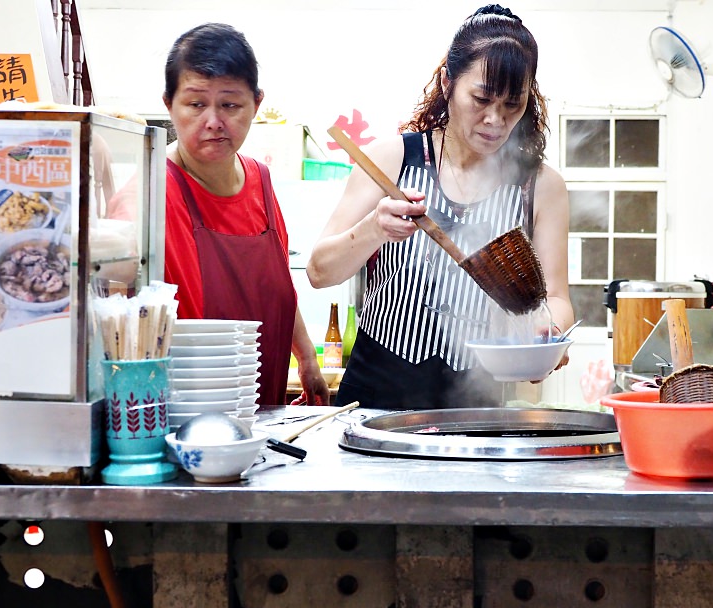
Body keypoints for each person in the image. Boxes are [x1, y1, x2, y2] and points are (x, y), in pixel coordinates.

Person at [307, 4, 574, 409]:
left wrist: (546, 336)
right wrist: (375, 230)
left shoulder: (540, 186)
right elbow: (318, 271)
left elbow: (555, 297)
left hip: (478, 404)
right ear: (448, 83)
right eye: (481, 99)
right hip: (377, 396)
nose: (495, 120)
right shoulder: (391, 160)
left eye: (511, 105)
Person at [162, 23, 329, 407]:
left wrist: (305, 357)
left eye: (230, 105)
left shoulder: (261, 179)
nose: (214, 121)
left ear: (256, 103)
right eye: (196, 104)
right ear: (169, 104)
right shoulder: (153, 190)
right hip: (189, 409)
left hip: (263, 403)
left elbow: (277, 283)